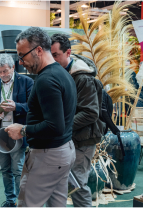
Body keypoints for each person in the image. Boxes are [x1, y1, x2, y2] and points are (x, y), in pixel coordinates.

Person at [5, 27, 77, 207]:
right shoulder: (63, 74)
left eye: (23, 56)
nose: (21, 62)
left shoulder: (46, 80)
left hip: (48, 156)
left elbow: (55, 126)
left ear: (38, 50)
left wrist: (22, 130)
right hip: (63, 151)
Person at [51, 33, 105, 207]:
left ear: (68, 53)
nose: (52, 59)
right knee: (68, 182)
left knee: (77, 183)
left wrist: (61, 126)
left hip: (83, 138)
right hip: (70, 137)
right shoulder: (62, 73)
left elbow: (90, 113)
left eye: (55, 55)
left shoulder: (82, 77)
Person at [0, 54, 34, 207]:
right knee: (5, 169)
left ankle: (22, 202)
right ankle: (10, 200)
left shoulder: (26, 82)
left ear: (13, 67)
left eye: (5, 71)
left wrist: (17, 106)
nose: (3, 75)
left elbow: (33, 107)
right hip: (0, 133)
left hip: (18, 133)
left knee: (17, 169)